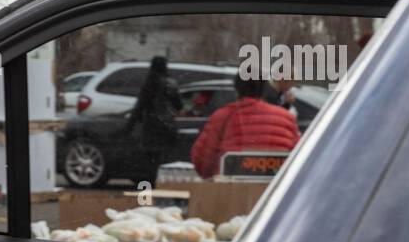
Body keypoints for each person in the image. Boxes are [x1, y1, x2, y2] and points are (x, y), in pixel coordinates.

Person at [191, 72, 301, 178]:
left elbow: (203, 162)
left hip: (230, 191)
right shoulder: (287, 118)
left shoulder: (222, 117)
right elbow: (299, 159)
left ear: (236, 89)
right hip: (273, 190)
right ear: (263, 89)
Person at [123, 55, 183, 183]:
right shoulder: (170, 84)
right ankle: (163, 184)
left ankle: (150, 184)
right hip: (166, 127)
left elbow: (140, 107)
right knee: (164, 158)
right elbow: (179, 106)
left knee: (150, 159)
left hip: (151, 127)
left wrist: (128, 128)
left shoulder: (149, 83)